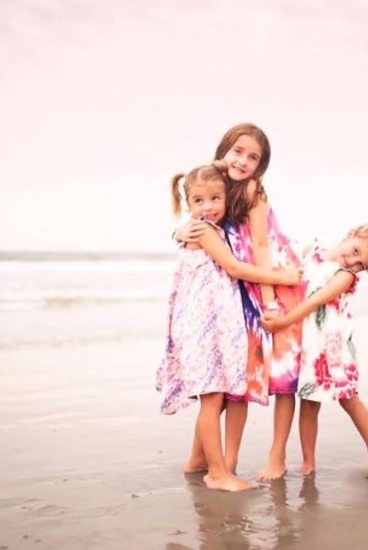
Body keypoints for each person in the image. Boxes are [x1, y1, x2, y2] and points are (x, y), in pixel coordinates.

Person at [156, 164, 301, 492]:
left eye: (215, 198)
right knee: (212, 398)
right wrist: (282, 278)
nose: (208, 206)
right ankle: (218, 473)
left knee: (216, 395)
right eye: (199, 200)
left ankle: (197, 461)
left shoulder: (207, 229)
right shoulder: (203, 231)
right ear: (188, 204)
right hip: (200, 329)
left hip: (206, 326)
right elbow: (235, 268)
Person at [261, 214, 368, 480]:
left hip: (333, 350)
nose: (352, 262)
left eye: (361, 265)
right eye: (355, 252)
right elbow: (282, 258)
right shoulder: (312, 251)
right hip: (309, 347)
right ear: (353, 234)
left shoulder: (344, 276)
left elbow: (313, 302)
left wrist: (282, 322)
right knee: (308, 402)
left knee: (349, 399)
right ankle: (308, 462)